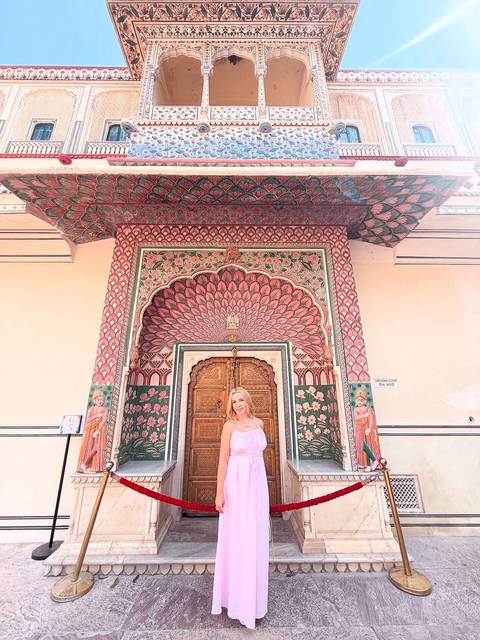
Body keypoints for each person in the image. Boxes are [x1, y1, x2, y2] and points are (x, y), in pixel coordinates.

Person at [211, 386, 270, 629]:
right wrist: (219, 492)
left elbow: (259, 456)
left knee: (254, 539)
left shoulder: (260, 423)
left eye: (241, 400)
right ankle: (235, 600)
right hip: (236, 486)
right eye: (234, 402)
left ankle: (253, 601)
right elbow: (223, 460)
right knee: (237, 539)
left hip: (257, 486)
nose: (238, 405)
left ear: (248, 401)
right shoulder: (229, 427)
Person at [77, 389, 108, 473]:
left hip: (100, 431)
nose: (100, 401)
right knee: (89, 446)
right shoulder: (91, 409)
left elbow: (103, 421)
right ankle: (85, 465)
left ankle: (89, 465)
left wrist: (98, 430)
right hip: (90, 429)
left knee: (98, 447)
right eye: (99, 399)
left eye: (102, 399)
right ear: (94, 400)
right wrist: (97, 415)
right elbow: (88, 419)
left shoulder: (104, 409)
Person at [353, 388, 381, 471]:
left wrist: (369, 428)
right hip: (358, 429)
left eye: (362, 400)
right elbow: (356, 418)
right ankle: (369, 462)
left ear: (364, 401)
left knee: (369, 444)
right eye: (358, 400)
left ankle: (372, 462)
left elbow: (371, 419)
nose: (360, 402)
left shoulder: (368, 409)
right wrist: (364, 416)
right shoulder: (355, 410)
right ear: (356, 401)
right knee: (360, 445)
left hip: (366, 428)